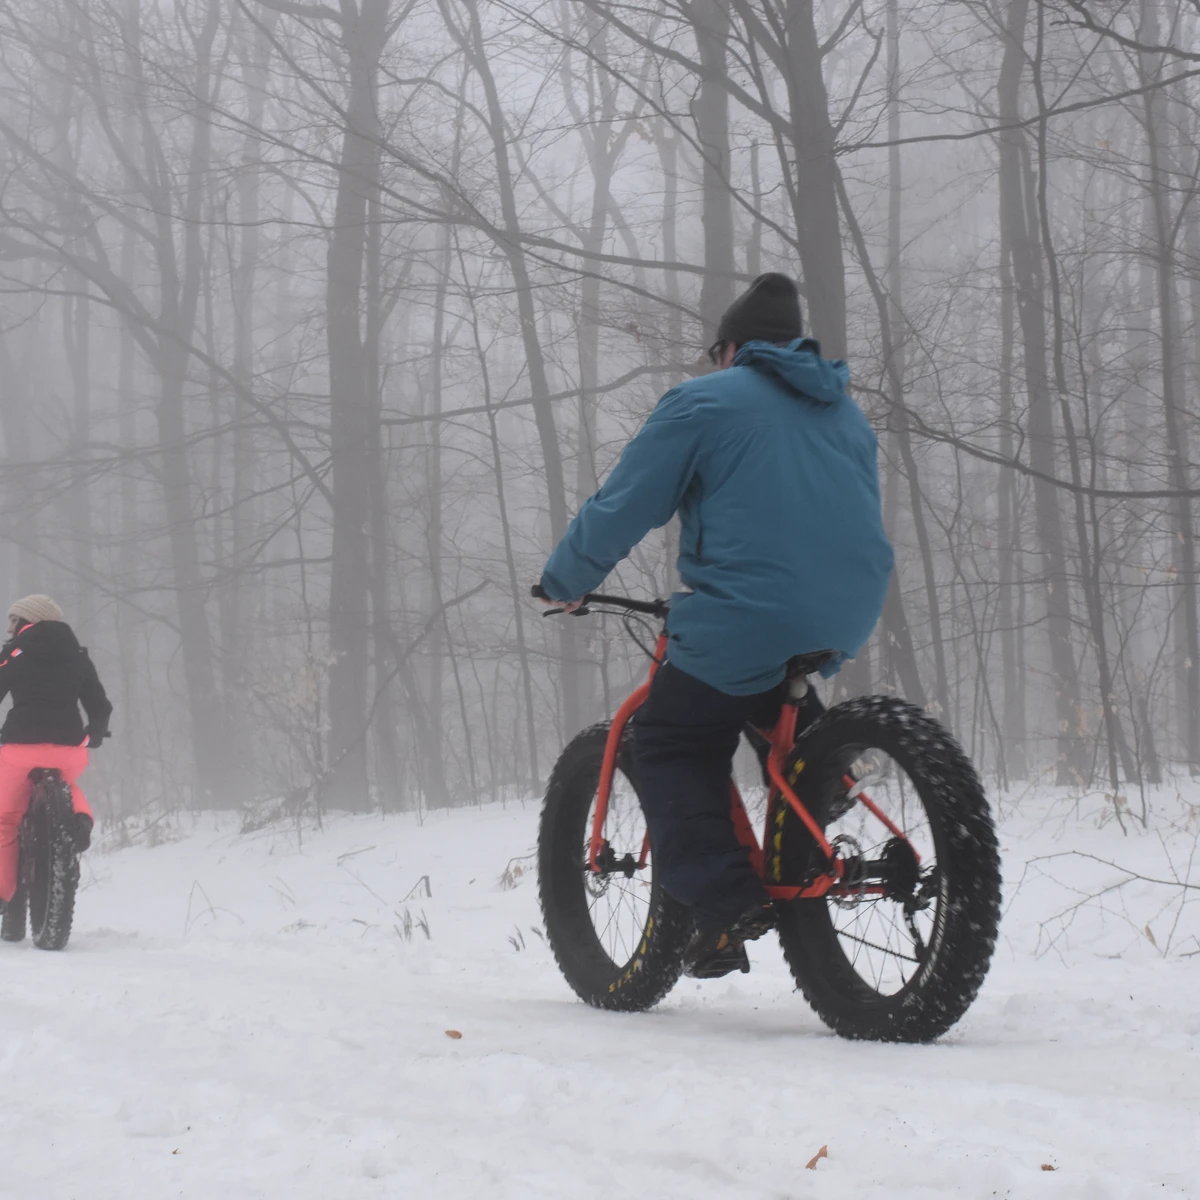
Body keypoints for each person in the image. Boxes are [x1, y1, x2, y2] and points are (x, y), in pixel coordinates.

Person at [538, 274, 893, 978]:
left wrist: (566, 581)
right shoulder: (846, 415)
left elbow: (625, 504)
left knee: (670, 739)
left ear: (732, 349)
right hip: (849, 606)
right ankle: (827, 776)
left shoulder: (705, 400)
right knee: (759, 683)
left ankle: (727, 902)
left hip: (749, 611)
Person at [0, 595, 111, 913]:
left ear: (27, 621)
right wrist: (94, 734)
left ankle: (4, 895)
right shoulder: (78, 656)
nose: (9, 626)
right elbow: (99, 705)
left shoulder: (15, 652)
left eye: (12, 619)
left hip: (20, 748)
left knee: (5, 819)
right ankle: (80, 818)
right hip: (68, 748)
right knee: (67, 784)